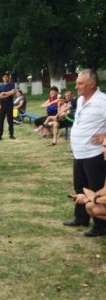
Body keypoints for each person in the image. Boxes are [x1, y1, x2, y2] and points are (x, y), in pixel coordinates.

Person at [63, 69, 106, 237]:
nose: (77, 86)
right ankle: (81, 217)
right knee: (79, 186)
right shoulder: (80, 100)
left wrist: (104, 135)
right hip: (79, 152)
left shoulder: (102, 101)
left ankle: (100, 226)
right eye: (77, 83)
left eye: (80, 83)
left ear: (92, 84)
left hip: (94, 154)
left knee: (95, 188)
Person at [0, 72, 16, 140]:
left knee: (10, 120)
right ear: (2, 78)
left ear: (8, 78)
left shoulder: (12, 85)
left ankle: (11, 134)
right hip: (2, 105)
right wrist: (8, 94)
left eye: (6, 77)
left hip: (10, 105)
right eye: (4, 77)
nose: (5, 78)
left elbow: (13, 92)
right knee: (1, 120)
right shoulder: (1, 86)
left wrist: (4, 93)